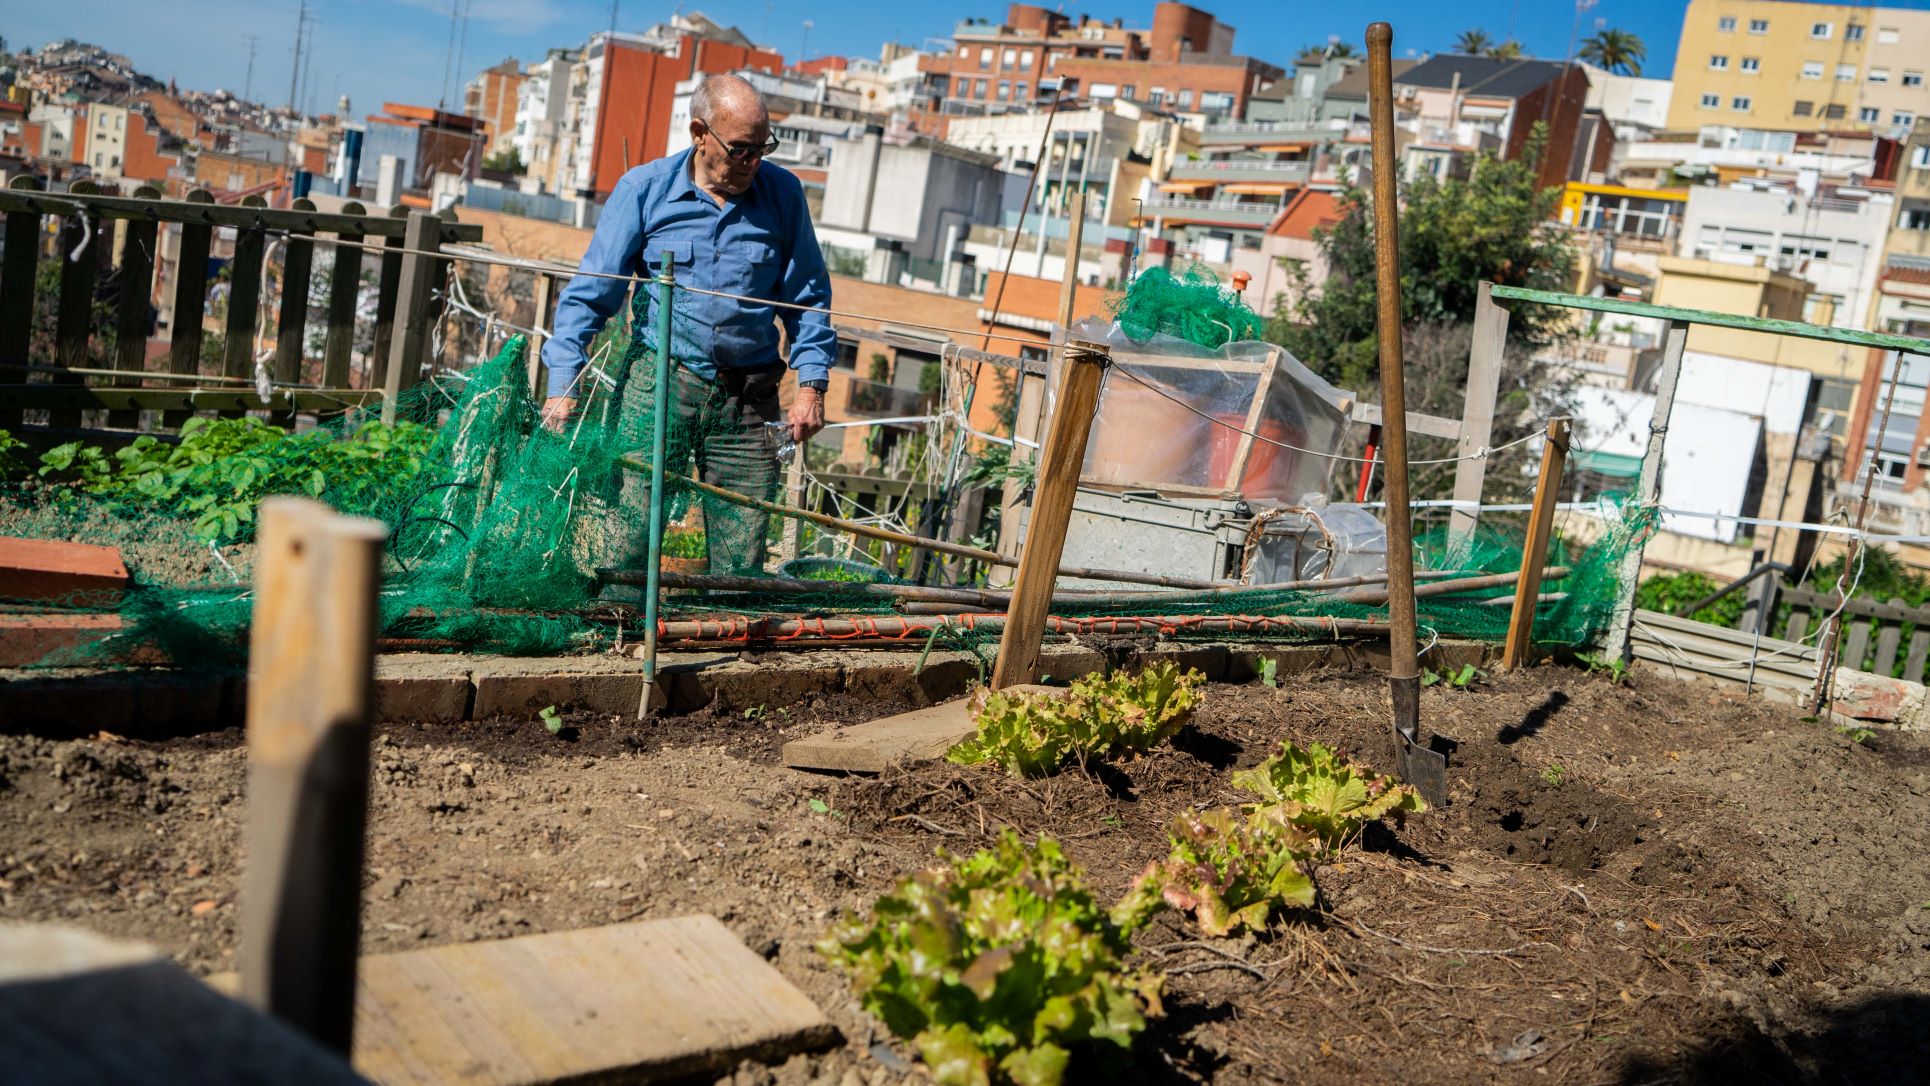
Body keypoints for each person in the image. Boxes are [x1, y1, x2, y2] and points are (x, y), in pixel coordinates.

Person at [539, 73, 835, 578]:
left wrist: (811, 385)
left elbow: (807, 298)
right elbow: (590, 295)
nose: (753, 163)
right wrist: (563, 383)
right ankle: (617, 641)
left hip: (748, 398)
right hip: (658, 386)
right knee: (631, 532)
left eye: (762, 149)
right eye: (741, 149)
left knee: (741, 550)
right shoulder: (643, 191)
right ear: (700, 133)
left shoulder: (783, 195)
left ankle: (722, 645)